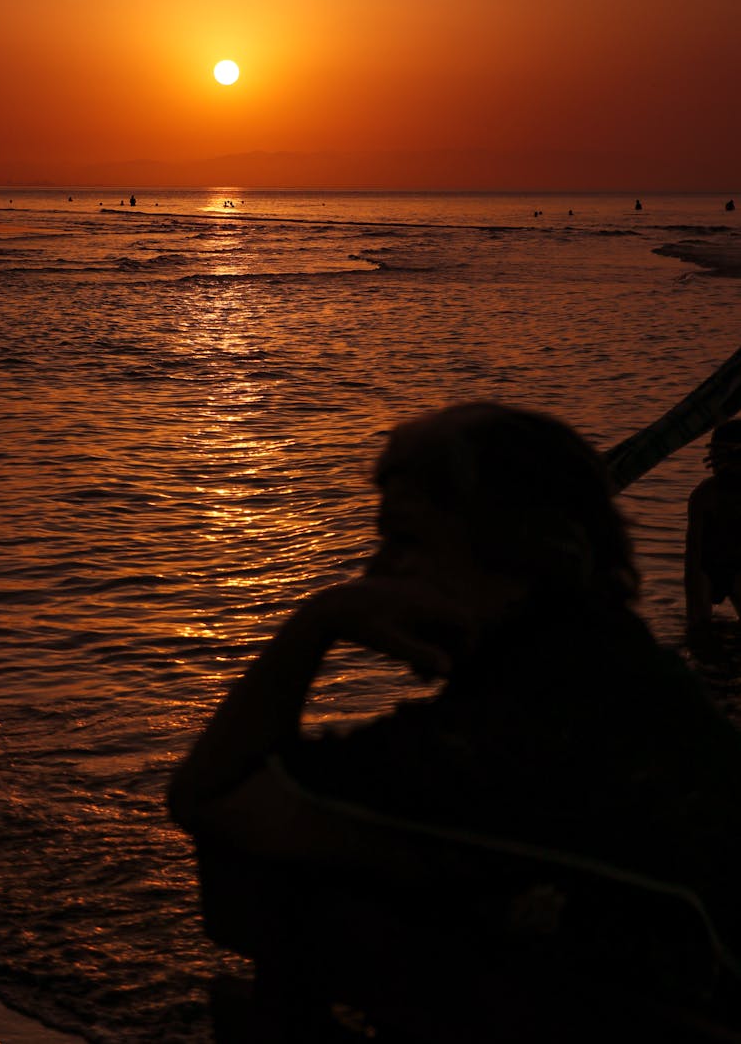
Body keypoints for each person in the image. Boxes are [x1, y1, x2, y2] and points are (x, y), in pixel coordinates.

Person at [170, 402, 741, 1042]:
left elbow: (211, 794)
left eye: (408, 542)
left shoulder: (499, 737)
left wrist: (317, 623)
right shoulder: (628, 679)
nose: (379, 573)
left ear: (517, 550)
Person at [685, 419, 741, 626]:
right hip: (710, 564)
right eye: (715, 455)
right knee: (698, 627)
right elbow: (694, 556)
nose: (718, 465)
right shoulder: (704, 496)